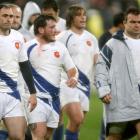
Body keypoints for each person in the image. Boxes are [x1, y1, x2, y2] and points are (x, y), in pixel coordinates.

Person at [24, 14, 78, 140]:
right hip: (36, 99)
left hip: (54, 100)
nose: (56, 30)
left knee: (47, 136)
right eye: (52, 27)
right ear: (41, 29)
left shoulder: (60, 47)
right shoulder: (28, 48)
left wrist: (73, 78)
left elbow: (72, 69)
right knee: (39, 135)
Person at [95, 7, 140, 140]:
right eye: (132, 22)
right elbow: (101, 67)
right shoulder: (112, 44)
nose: (137, 25)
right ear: (124, 23)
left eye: (139, 22)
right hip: (119, 99)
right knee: (114, 136)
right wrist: (103, 90)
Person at [57, 5, 99, 140]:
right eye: (79, 15)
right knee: (77, 118)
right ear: (71, 18)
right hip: (68, 83)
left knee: (77, 124)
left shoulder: (92, 38)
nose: (83, 17)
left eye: (84, 14)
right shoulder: (63, 37)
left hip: (85, 85)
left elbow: (96, 60)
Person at [0, 3, 37, 140]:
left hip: (13, 95)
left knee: (18, 136)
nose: (9, 19)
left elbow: (24, 65)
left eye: (11, 16)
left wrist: (33, 92)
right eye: (4, 16)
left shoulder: (18, 37)